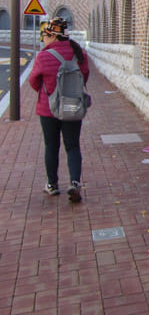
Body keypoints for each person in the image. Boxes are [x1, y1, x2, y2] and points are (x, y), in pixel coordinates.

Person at [29, 17, 90, 202]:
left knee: (51, 146)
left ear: (52, 36)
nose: (43, 40)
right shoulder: (79, 53)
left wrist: (48, 91)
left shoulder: (44, 56)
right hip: (73, 107)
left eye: (45, 36)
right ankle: (75, 182)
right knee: (73, 146)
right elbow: (84, 78)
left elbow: (33, 81)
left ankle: (52, 185)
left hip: (49, 109)